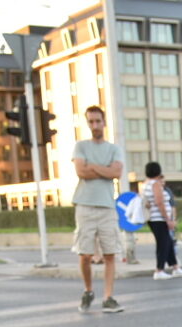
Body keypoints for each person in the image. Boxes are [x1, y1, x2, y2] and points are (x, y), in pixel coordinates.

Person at [72, 105, 125, 312]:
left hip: (107, 206)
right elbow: (81, 172)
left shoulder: (114, 149)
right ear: (88, 123)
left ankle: (108, 297)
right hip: (84, 205)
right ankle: (88, 290)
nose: (95, 125)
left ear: (104, 122)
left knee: (110, 253)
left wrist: (92, 166)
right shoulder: (81, 146)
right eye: (91, 122)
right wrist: (104, 169)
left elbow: (116, 173)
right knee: (85, 254)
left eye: (98, 121)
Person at [142, 161, 182, 280]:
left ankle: (175, 267)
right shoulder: (155, 184)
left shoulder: (146, 184)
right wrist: (168, 219)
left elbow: (147, 202)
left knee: (168, 242)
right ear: (158, 171)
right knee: (163, 244)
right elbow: (159, 202)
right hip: (159, 219)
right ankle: (159, 270)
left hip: (154, 218)